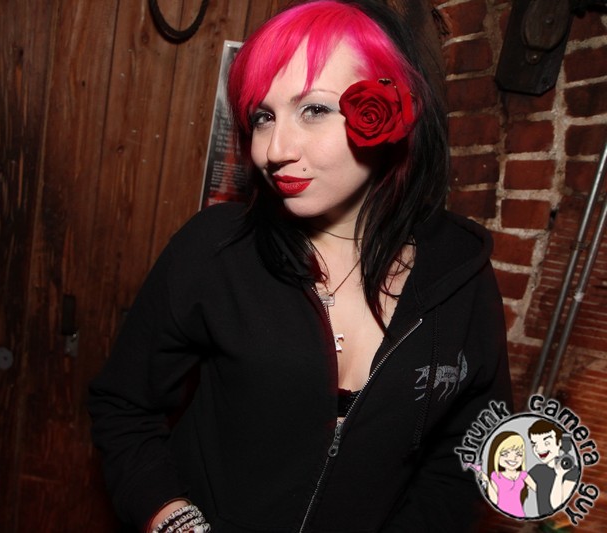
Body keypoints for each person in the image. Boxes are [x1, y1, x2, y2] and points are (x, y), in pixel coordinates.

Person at [88, 1, 513, 531]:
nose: (275, 149)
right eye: (263, 117)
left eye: (313, 109)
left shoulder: (461, 277)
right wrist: (175, 521)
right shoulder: (216, 250)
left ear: (390, 112)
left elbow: (464, 457)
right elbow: (124, 407)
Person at [527, 419, 580, 516]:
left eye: (547, 443)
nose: (539, 449)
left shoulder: (572, 471)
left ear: (559, 443)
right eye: (534, 444)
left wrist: (559, 475)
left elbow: (556, 505)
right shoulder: (537, 470)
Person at [479, 431, 536, 518]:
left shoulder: (523, 475)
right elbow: (494, 500)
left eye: (519, 454)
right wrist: (486, 480)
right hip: (500, 517)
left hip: (519, 515)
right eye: (505, 454)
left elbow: (539, 490)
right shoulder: (495, 476)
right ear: (496, 455)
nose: (513, 458)